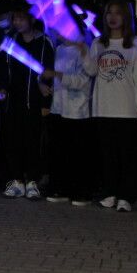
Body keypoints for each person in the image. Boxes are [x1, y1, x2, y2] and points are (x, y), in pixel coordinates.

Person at [83, 0, 137, 212]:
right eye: (109, 13)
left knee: (128, 155)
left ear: (125, 17)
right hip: (103, 106)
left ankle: (126, 196)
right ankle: (110, 192)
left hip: (127, 107)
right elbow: (91, 71)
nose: (112, 17)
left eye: (117, 13)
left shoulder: (135, 44)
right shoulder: (98, 43)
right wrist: (83, 51)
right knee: (107, 154)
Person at [0, 5, 54, 200]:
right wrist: (2, 87)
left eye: (21, 18)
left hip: (35, 101)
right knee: (14, 141)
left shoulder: (44, 42)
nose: (17, 22)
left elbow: (49, 68)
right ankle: (17, 180)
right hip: (14, 101)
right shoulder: (9, 42)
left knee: (34, 141)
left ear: (31, 19)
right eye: (15, 19)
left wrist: (44, 89)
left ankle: (32, 181)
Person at [41, 19, 95, 204]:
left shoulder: (85, 50)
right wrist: (46, 85)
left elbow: (83, 79)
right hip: (58, 108)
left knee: (77, 152)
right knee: (59, 151)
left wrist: (57, 75)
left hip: (78, 110)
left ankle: (80, 190)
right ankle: (61, 187)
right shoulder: (59, 50)